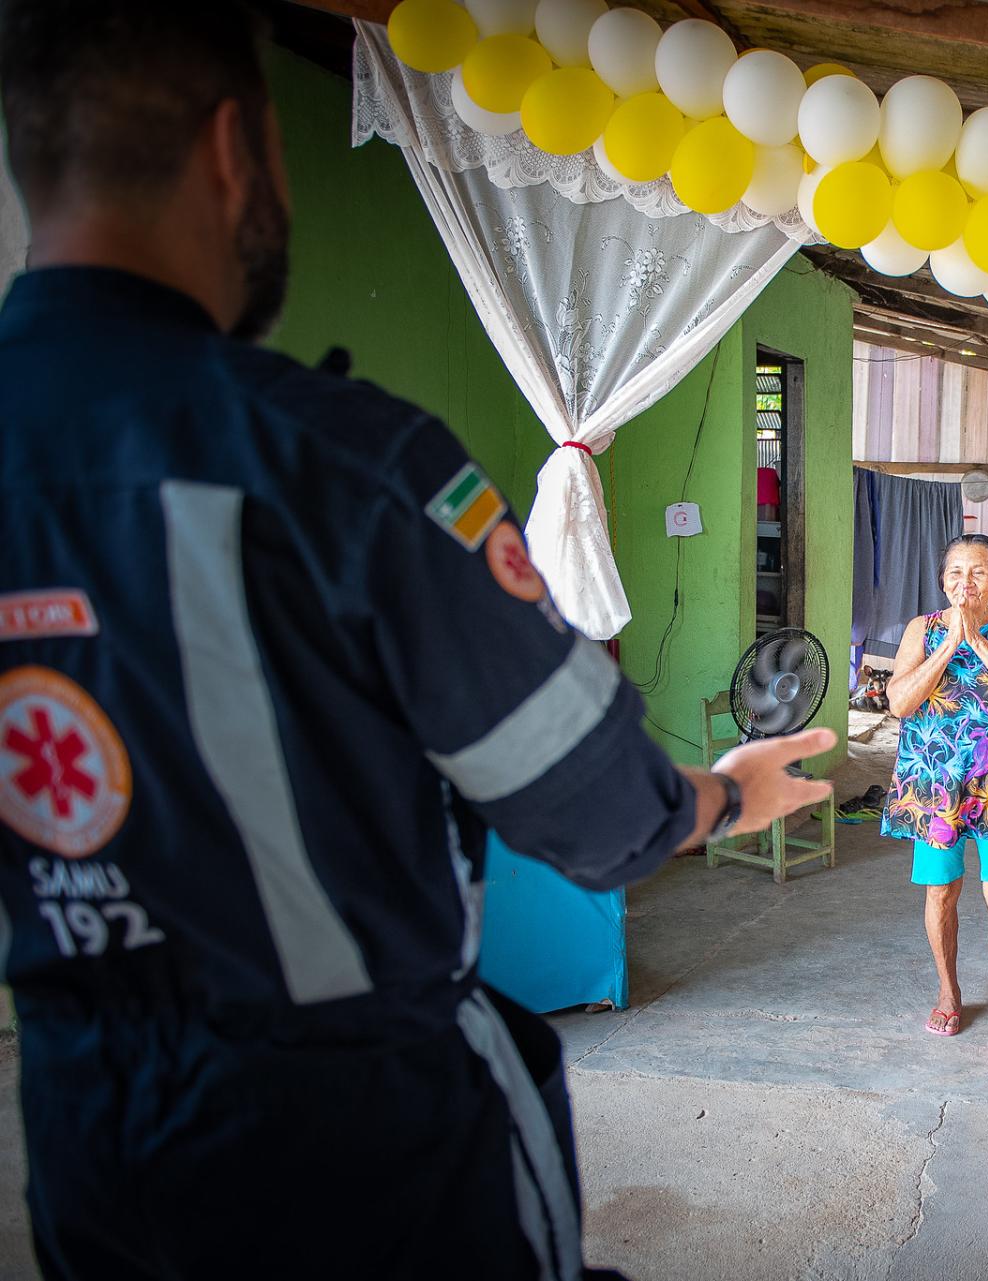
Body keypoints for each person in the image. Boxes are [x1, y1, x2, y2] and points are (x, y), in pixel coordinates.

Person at [0, 5, 833, 1278]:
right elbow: (598, 813)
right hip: (365, 1150)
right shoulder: (343, 469)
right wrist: (720, 798)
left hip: (85, 1139)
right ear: (236, 152)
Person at [883, 534, 988, 1061]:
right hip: (935, 788)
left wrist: (976, 640)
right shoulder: (921, 631)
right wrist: (950, 642)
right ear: (942, 580)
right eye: (955, 572)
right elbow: (900, 704)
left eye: (977, 573)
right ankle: (949, 991)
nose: (965, 583)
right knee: (941, 893)